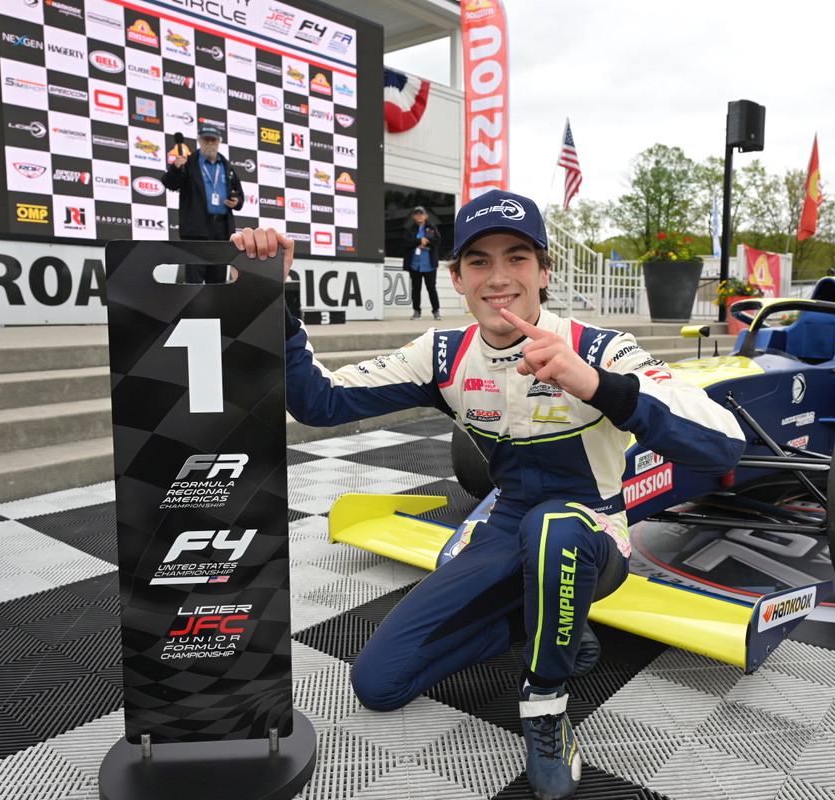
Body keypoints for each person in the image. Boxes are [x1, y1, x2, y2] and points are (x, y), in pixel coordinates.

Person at [231, 189, 745, 800]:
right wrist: (274, 296)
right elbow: (319, 403)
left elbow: (723, 445)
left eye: (517, 258)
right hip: (508, 525)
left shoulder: (600, 347)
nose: (499, 277)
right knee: (379, 683)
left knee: (554, 529)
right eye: (479, 261)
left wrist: (595, 384)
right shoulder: (442, 354)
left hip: (593, 534)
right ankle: (546, 623)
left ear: (545, 272)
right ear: (457, 279)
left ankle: (546, 704)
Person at [163, 123, 245, 282]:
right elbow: (171, 184)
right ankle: (194, 300)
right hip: (197, 229)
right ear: (199, 140)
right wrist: (176, 168)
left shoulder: (226, 166)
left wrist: (237, 201)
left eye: (213, 140)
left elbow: (239, 194)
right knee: (194, 280)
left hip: (222, 230)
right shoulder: (188, 163)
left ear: (219, 142)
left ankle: (216, 300)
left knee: (218, 279)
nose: (210, 143)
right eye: (206, 139)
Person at [401, 205, 442, 320]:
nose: (419, 216)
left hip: (429, 265)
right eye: (417, 214)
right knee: (416, 289)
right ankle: (416, 311)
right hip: (415, 265)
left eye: (421, 214)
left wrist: (426, 243)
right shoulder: (409, 229)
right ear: (413, 216)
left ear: (426, 216)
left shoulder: (431, 227)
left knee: (431, 288)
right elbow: (405, 242)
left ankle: (436, 311)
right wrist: (419, 241)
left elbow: (438, 240)